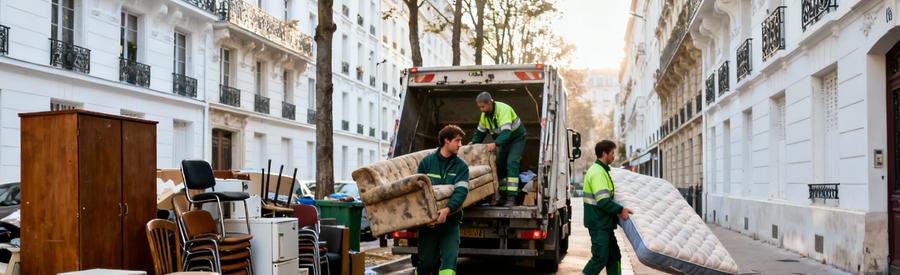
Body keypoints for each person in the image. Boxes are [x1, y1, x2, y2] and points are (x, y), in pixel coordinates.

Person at [415, 124, 470, 275]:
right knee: (426, 263)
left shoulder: (461, 166)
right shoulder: (426, 163)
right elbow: (418, 193)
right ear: (446, 140)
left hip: (451, 222)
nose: (460, 144)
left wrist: (447, 210)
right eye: (457, 141)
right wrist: (428, 217)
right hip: (428, 224)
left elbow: (461, 192)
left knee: (448, 265)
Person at [582, 140, 632, 275]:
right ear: (604, 153)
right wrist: (621, 210)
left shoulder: (602, 170)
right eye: (612, 153)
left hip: (604, 224)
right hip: (599, 224)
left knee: (614, 257)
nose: (614, 156)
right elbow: (603, 201)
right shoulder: (598, 173)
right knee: (600, 258)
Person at [469, 91, 526, 207]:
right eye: (479, 107)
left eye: (483, 106)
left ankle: (512, 197)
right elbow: (480, 132)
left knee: (512, 163)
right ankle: (502, 196)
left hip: (516, 139)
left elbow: (506, 132)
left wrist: (495, 144)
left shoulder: (503, 109)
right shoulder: (484, 115)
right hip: (504, 141)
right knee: (498, 165)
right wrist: (473, 143)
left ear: (490, 103)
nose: (481, 109)